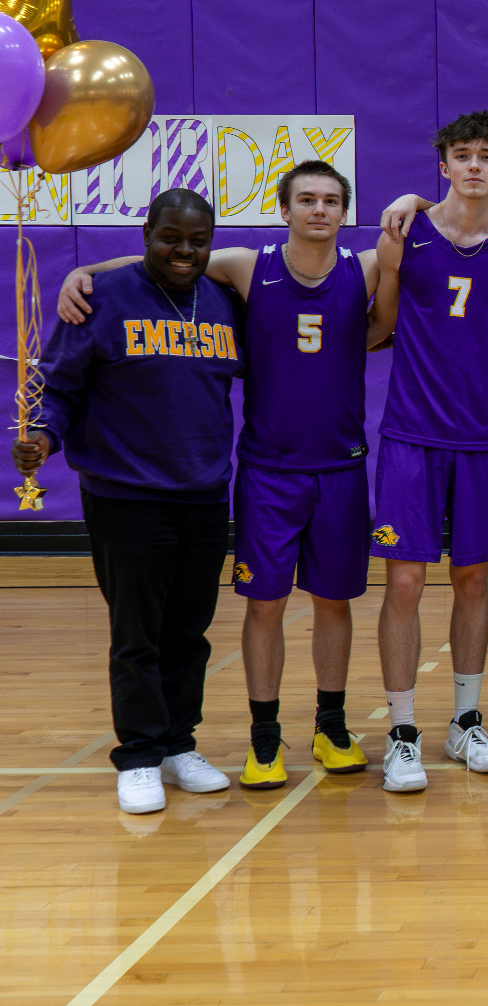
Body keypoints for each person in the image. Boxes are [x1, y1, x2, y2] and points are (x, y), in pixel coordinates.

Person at [57, 163, 386, 790]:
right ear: (283, 208)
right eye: (307, 199)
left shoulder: (365, 266)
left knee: (332, 604)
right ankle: (264, 740)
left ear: (346, 210)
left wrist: (408, 199)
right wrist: (84, 272)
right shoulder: (245, 266)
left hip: (341, 467)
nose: (320, 209)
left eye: (332, 200)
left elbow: (419, 239)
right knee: (260, 606)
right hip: (266, 470)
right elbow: (153, 265)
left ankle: (331, 726)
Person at [16, 189, 240, 814]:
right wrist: (43, 435)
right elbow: (59, 388)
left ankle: (177, 744)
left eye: (198, 241)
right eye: (171, 237)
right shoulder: (99, 300)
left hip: (203, 493)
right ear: (146, 233)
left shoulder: (224, 301)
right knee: (137, 633)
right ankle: (139, 755)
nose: (184, 251)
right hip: (126, 496)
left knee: (188, 632)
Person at [369, 110, 488, 792]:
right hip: (412, 435)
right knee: (407, 582)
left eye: (487, 156)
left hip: (481, 439)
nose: (474, 166)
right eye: (462, 155)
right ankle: (404, 732)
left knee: (474, 579)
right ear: (442, 166)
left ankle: (466, 720)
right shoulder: (405, 235)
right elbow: (380, 323)